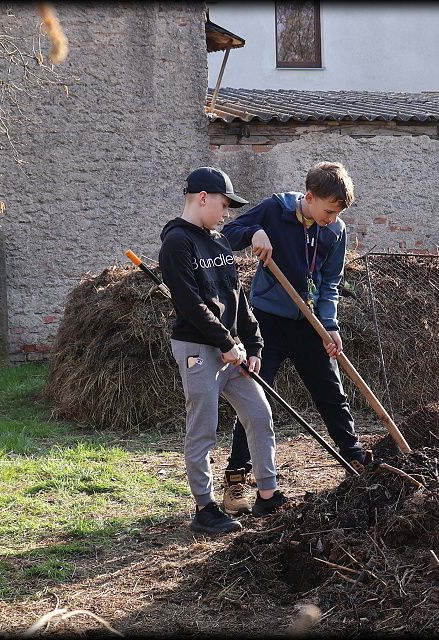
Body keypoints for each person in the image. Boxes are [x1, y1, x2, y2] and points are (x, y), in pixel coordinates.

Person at [217, 161, 371, 514]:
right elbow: (228, 233)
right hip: (266, 322)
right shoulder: (275, 209)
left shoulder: (335, 231)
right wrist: (254, 232)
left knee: (331, 393)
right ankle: (236, 480)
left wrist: (329, 324)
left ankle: (354, 459)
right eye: (328, 211)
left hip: (308, 322)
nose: (332, 218)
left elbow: (330, 282)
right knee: (255, 399)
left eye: (338, 213)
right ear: (310, 197)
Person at [157, 167, 286, 535]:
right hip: (199, 348)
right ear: (203, 198)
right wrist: (225, 343)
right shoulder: (176, 243)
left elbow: (237, 297)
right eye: (225, 205)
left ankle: (267, 494)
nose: (227, 214)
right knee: (203, 429)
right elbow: (189, 303)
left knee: (259, 414)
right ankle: (205, 508)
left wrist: (254, 344)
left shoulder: (219, 241)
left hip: (233, 351)